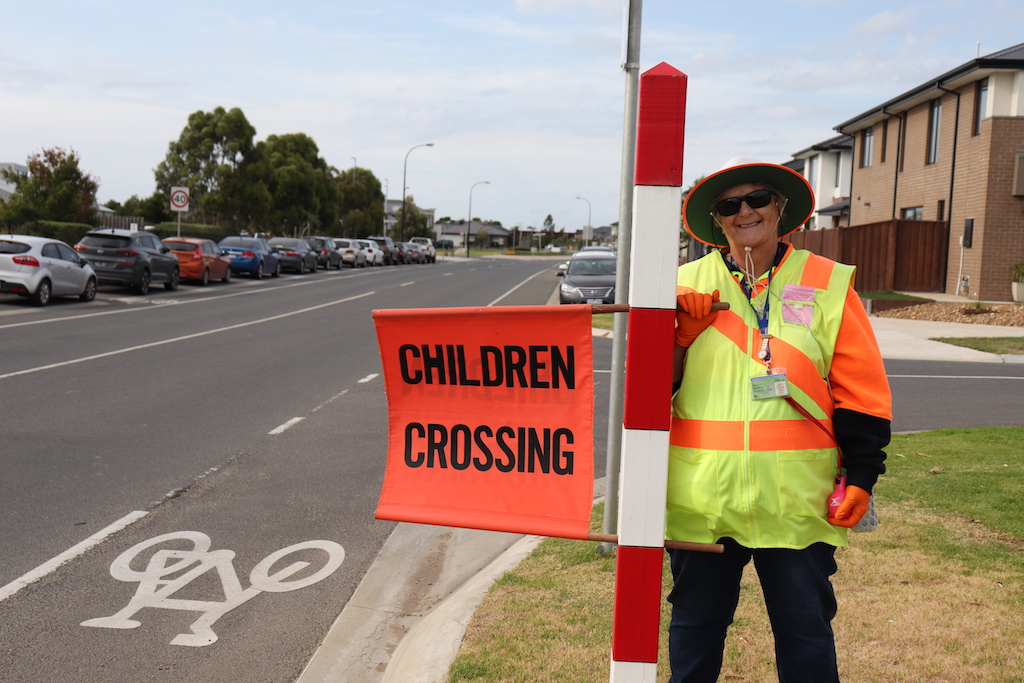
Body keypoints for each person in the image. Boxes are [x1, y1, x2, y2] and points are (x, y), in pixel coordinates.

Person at [667, 157, 892, 682]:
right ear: (717, 221)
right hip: (704, 500)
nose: (745, 211)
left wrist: (862, 475)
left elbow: (862, 390)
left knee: (806, 635)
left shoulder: (829, 283)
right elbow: (648, 392)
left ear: (781, 208)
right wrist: (679, 340)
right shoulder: (680, 285)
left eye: (757, 199)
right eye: (730, 205)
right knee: (695, 631)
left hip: (797, 501)